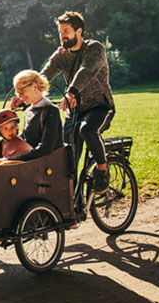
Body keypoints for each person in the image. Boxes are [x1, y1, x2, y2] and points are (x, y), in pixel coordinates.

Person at [13, 11, 114, 195]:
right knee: (67, 156)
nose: (62, 35)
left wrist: (72, 91)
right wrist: (25, 93)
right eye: (60, 32)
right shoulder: (62, 54)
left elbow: (87, 70)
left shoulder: (94, 48)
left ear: (79, 31)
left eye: (66, 31)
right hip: (74, 110)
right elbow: (43, 76)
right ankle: (71, 203)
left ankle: (102, 170)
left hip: (99, 106)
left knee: (87, 130)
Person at [7, 70, 64, 162]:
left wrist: (13, 160)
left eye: (21, 91)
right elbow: (24, 139)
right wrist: (0, 143)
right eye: (18, 93)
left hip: (48, 165)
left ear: (34, 86)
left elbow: (46, 149)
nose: (20, 96)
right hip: (33, 161)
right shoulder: (29, 111)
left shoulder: (50, 111)